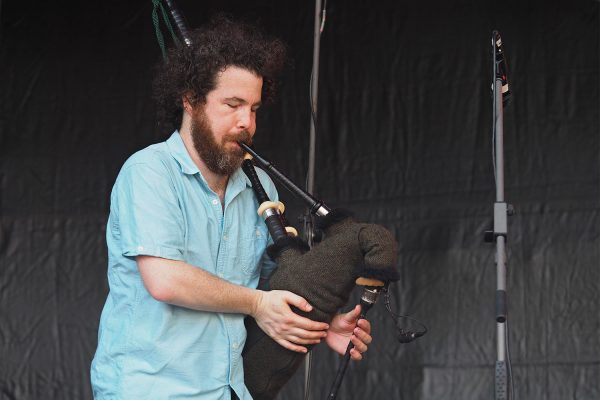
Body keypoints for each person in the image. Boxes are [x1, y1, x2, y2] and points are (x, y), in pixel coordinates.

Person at [90, 16, 372, 399]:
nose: (247, 123)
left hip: (228, 391)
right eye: (233, 105)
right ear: (190, 100)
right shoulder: (149, 171)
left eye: (254, 108)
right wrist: (257, 304)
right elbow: (165, 279)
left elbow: (274, 286)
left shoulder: (260, 185)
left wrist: (323, 325)